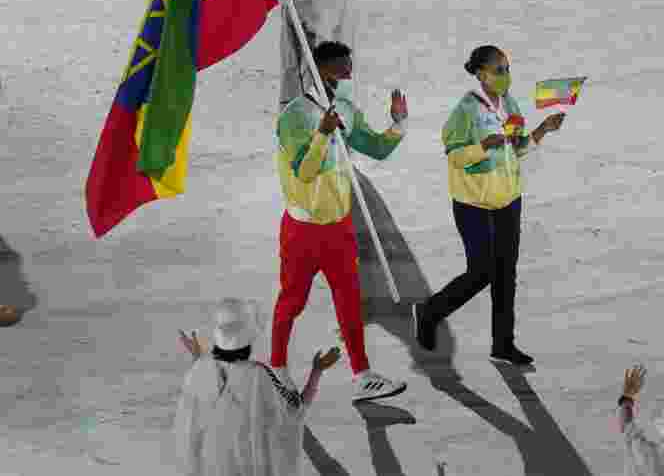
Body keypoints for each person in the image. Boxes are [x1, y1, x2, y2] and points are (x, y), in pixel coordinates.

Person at [272, 40, 408, 402]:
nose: (349, 77)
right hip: (302, 229)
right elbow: (304, 171)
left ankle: (362, 375)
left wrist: (398, 122)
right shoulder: (294, 118)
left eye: (350, 69)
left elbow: (377, 147)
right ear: (318, 73)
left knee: (350, 300)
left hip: (339, 226)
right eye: (341, 71)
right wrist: (323, 132)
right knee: (292, 300)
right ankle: (277, 365)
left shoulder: (344, 107)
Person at [412, 45, 566, 366]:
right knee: (481, 272)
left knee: (506, 273)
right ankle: (429, 311)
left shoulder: (509, 104)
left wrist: (542, 130)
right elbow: (454, 156)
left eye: (508, 68)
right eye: (499, 70)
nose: (505, 76)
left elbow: (518, 148)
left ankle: (503, 345)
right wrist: (482, 146)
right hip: (474, 206)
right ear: (481, 74)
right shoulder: (465, 111)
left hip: (509, 200)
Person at [174, 297, 342, 476]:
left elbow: (195, 429)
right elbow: (297, 410)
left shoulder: (201, 374)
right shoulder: (259, 376)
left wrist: (199, 359)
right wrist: (317, 371)